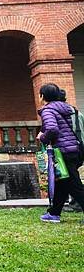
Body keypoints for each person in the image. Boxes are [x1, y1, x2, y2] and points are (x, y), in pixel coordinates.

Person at [36, 83, 84, 223]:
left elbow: (52, 129)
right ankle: (54, 213)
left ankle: (54, 213)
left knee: (74, 185)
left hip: (63, 151)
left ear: (42, 96)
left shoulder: (48, 110)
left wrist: (42, 137)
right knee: (62, 182)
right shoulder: (64, 108)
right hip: (73, 149)